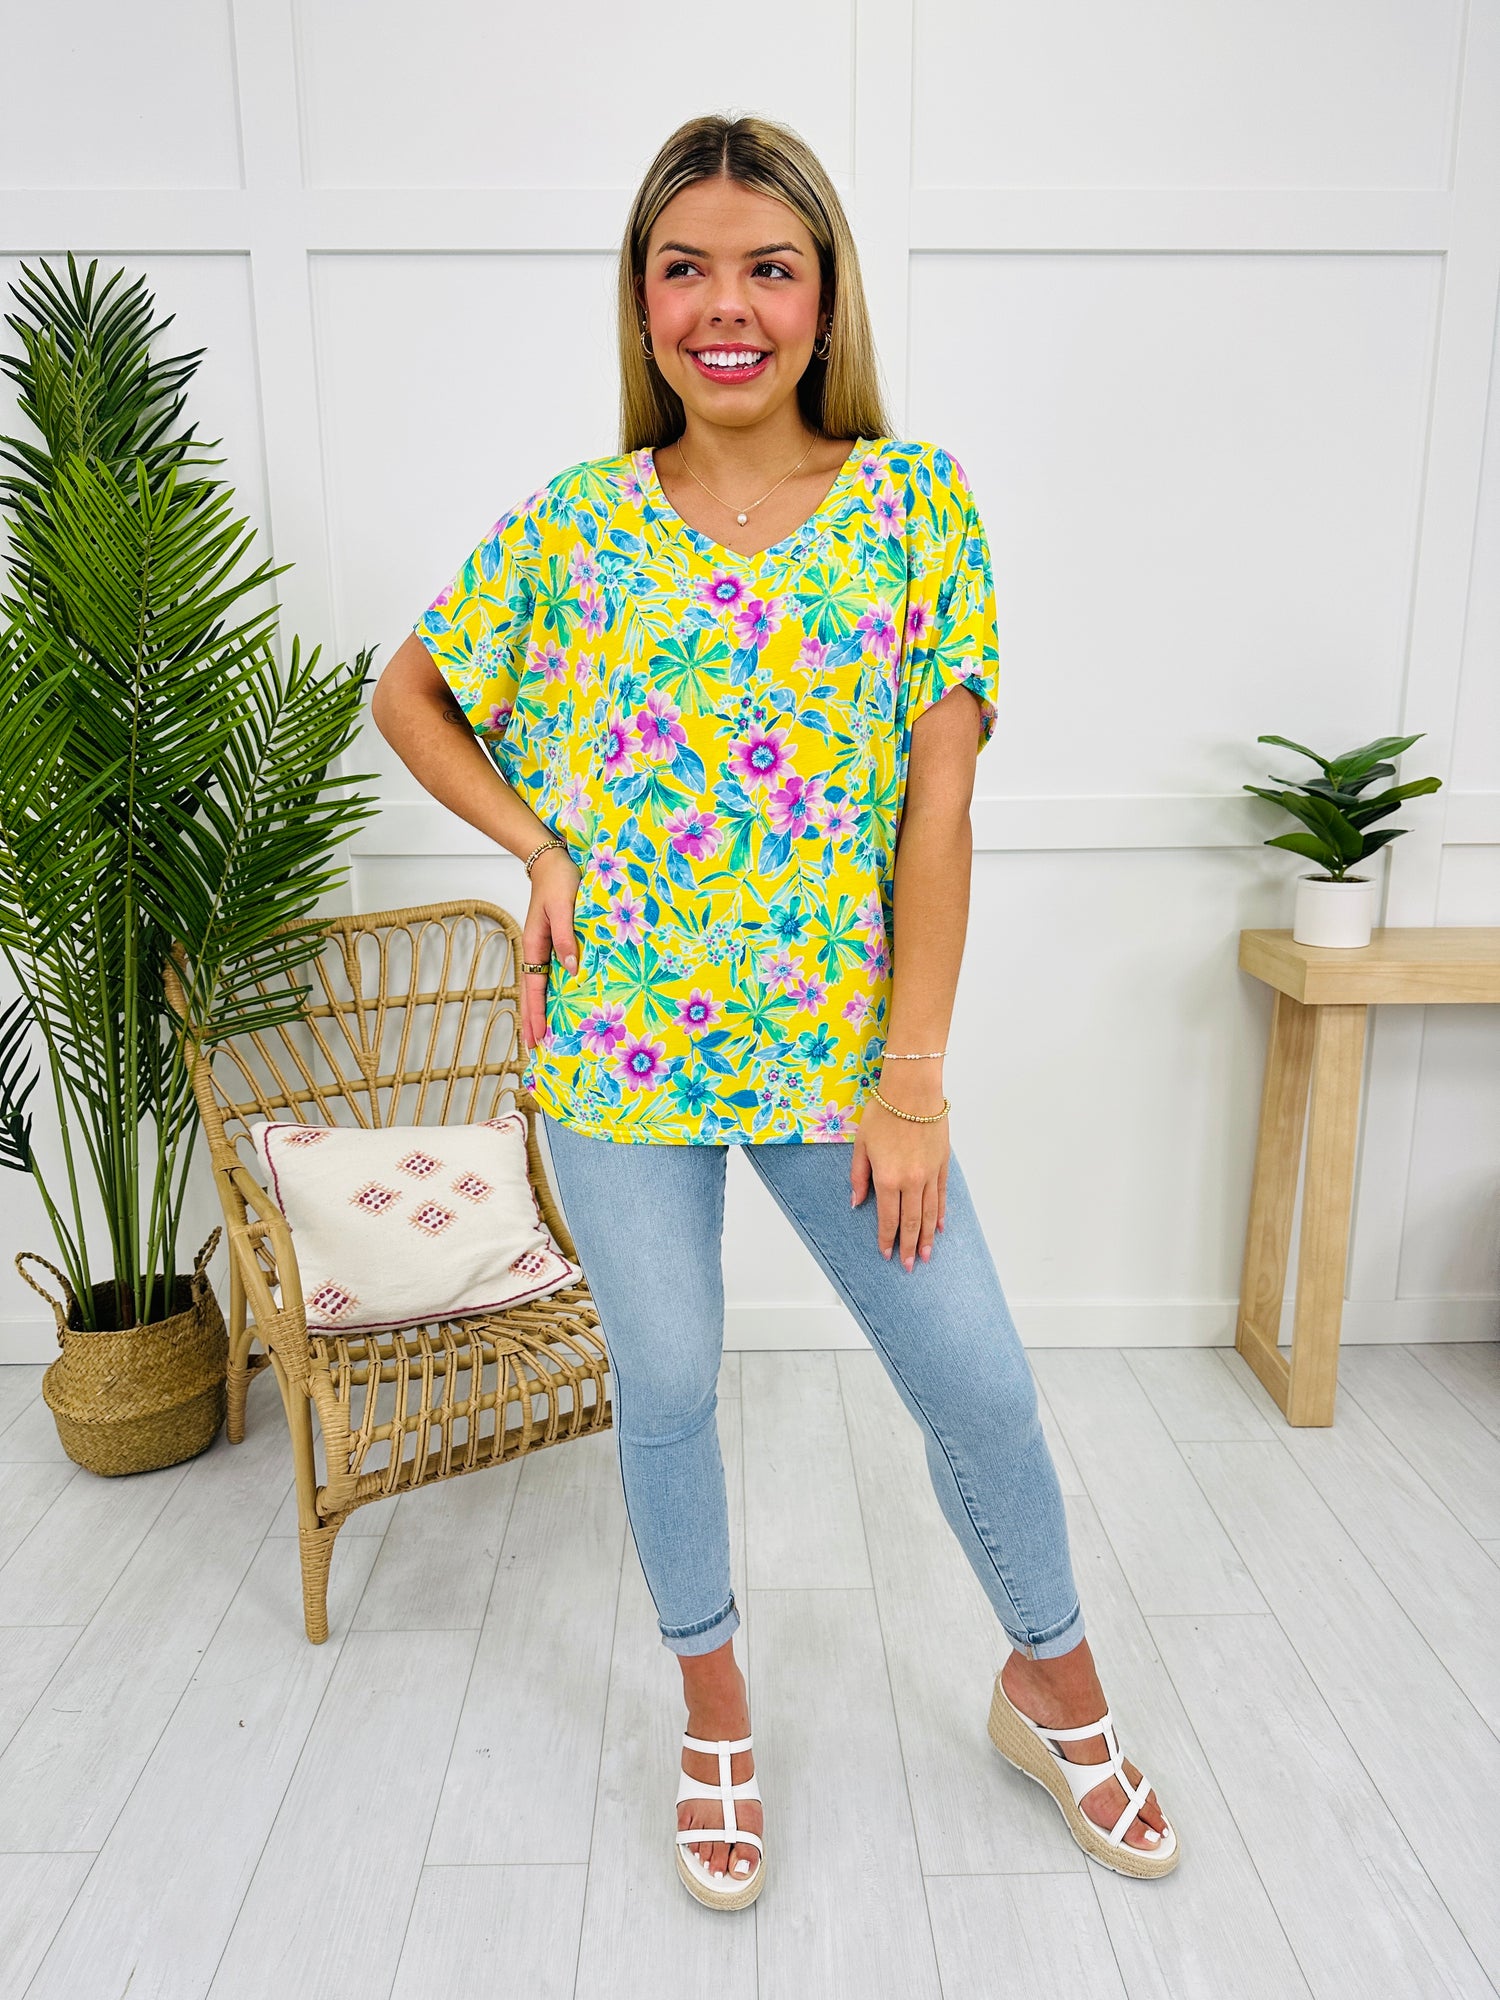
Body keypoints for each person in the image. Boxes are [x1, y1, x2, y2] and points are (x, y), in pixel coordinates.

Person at [373, 111, 1177, 1910]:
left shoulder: (912, 508)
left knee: (978, 1381)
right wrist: (538, 844)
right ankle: (716, 1709)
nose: (725, 307)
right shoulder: (575, 524)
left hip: (841, 1066)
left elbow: (937, 811)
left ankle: (1053, 1688)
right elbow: (407, 691)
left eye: (768, 268)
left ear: (824, 298)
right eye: (686, 268)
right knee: (667, 1386)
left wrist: (915, 1082)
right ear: (641, 298)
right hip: (617, 1048)